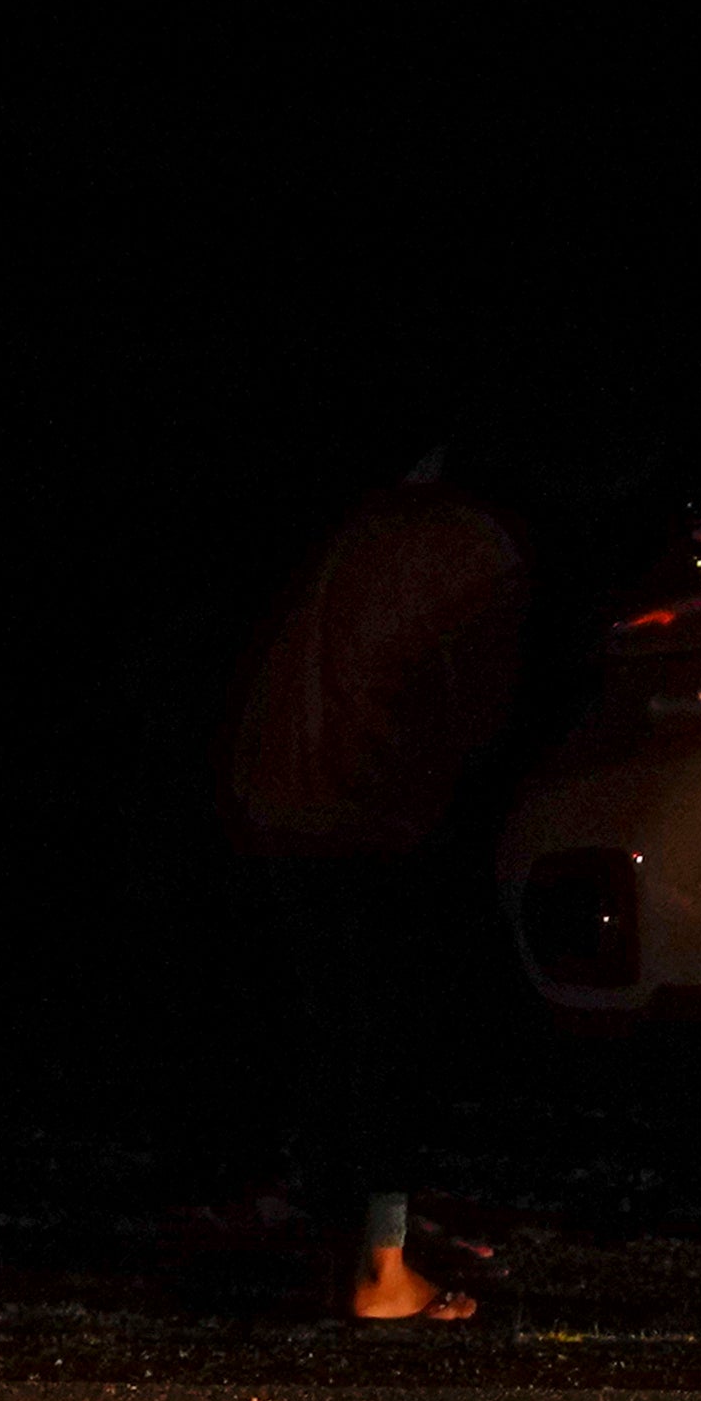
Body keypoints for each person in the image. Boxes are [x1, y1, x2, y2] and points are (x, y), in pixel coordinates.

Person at [224, 445, 536, 1325]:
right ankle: (380, 1269)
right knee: (384, 1036)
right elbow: (476, 704)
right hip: (371, 808)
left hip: (277, 794)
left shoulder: (355, 527)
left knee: (332, 1026)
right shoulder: (477, 546)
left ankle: (344, 1237)